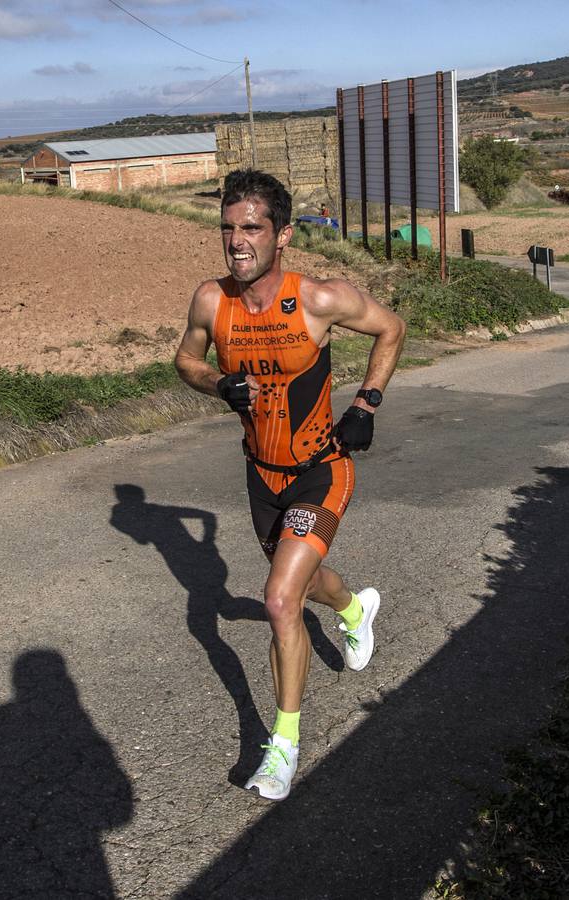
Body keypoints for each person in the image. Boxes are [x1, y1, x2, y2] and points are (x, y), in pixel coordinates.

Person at [174, 169, 406, 801]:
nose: (237, 241)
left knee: (279, 599)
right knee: (301, 585)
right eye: (228, 228)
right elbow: (186, 361)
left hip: (322, 468)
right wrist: (217, 385)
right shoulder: (210, 302)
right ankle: (356, 610)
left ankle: (283, 744)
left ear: (284, 236)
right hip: (261, 475)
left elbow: (392, 328)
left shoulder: (318, 299)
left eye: (251, 228)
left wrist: (366, 405)